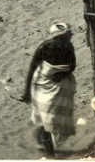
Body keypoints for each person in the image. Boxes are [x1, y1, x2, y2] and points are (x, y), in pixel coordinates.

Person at [21, 23, 77, 157]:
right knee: (47, 119)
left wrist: (61, 75)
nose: (70, 38)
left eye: (69, 35)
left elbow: (72, 65)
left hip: (59, 86)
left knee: (55, 118)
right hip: (42, 86)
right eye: (67, 36)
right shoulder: (44, 47)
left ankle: (43, 139)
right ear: (58, 37)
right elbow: (32, 68)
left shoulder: (69, 47)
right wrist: (27, 91)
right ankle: (50, 153)